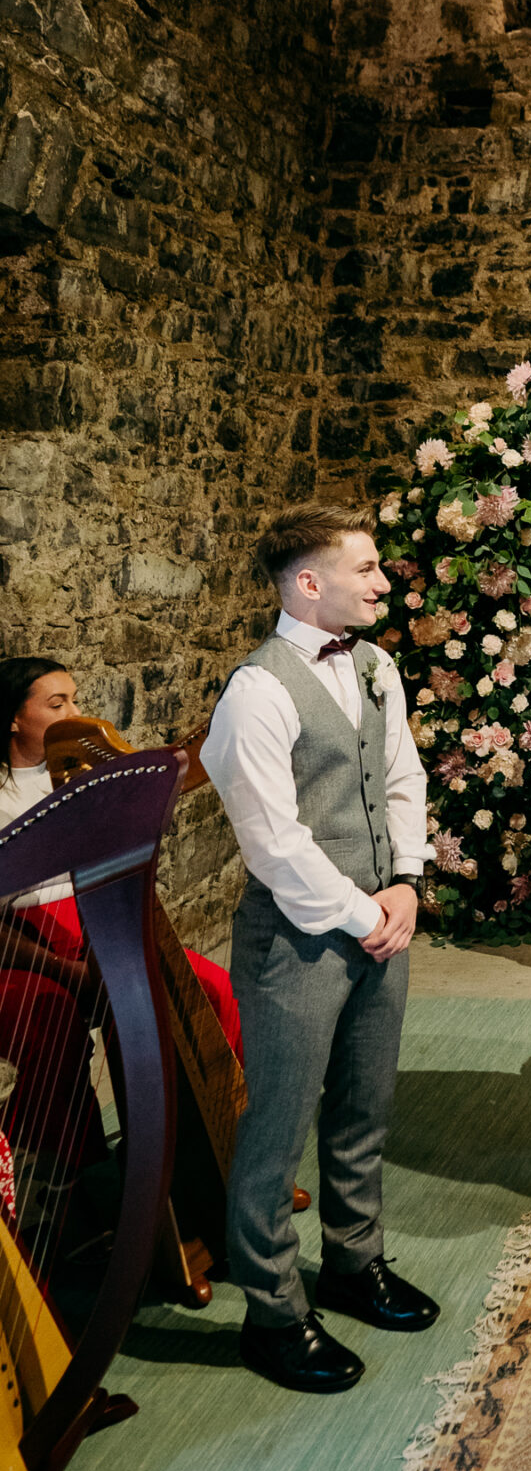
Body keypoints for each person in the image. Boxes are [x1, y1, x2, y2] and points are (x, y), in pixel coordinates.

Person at [201, 505, 438, 1394]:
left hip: (385, 917)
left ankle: (353, 1261)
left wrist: (408, 881)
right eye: (367, 568)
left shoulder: (376, 667)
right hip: (301, 936)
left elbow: (403, 775)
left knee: (364, 1105)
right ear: (309, 582)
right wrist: (360, 912)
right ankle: (273, 1312)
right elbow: (271, 841)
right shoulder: (255, 692)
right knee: (279, 1125)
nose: (382, 583)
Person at [0, 656, 242, 1056]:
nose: (75, 715)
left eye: (74, 701)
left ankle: (216, 1115)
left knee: (213, 989)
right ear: (13, 719)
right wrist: (66, 969)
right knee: (60, 1024)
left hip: (104, 927)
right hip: (34, 941)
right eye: (57, 704)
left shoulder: (78, 777)